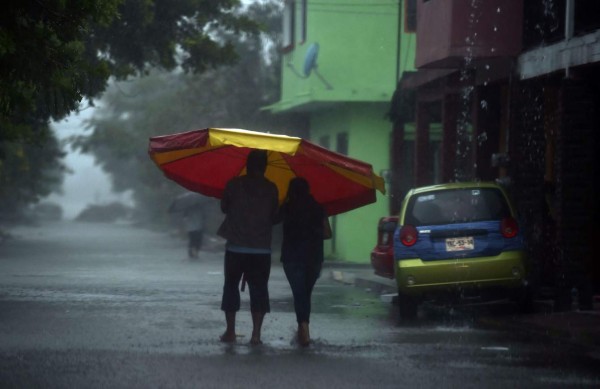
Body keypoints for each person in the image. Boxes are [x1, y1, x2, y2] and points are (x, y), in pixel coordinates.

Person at [217, 149, 279, 345]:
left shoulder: (234, 184)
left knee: (231, 287)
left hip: (235, 247)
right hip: (261, 249)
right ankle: (256, 335)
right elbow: (274, 216)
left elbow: (224, 207)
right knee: (259, 289)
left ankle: (230, 331)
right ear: (265, 167)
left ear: (247, 164)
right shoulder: (271, 188)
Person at [279, 177, 331, 347]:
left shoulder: (287, 208)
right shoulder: (318, 208)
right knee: (305, 294)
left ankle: (304, 328)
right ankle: (303, 329)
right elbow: (327, 233)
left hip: (292, 257)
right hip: (313, 258)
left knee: (299, 293)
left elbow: (272, 220)